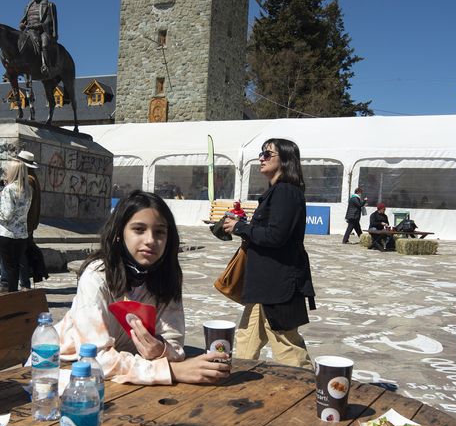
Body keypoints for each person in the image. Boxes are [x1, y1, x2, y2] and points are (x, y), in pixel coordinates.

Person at [57, 190, 231, 384]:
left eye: (159, 232)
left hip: (127, 375)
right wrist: (171, 371)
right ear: (119, 234)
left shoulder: (166, 276)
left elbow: (174, 342)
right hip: (65, 370)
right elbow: (94, 358)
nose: (150, 240)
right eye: (139, 229)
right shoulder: (96, 276)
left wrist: (161, 350)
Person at [221, 138, 315, 369]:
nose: (261, 158)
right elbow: (270, 231)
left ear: (285, 160)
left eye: (267, 154)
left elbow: (275, 236)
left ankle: (306, 390)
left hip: (278, 284)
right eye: (261, 154)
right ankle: (240, 376)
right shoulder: (277, 191)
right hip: (265, 285)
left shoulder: (285, 191)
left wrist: (240, 228)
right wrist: (242, 224)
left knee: (286, 344)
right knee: (246, 340)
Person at [0, 159, 31, 295]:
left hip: (7, 233)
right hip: (21, 233)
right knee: (15, 266)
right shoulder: (27, 189)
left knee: (9, 267)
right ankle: (14, 293)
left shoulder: (8, 189)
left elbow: (7, 214)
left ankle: (11, 294)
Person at [14, 150, 42, 291]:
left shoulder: (29, 180)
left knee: (21, 254)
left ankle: (25, 283)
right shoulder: (33, 178)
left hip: (25, 223)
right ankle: (24, 282)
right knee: (23, 252)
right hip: (29, 222)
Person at [19, 0, 58, 75]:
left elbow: (50, 21)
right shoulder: (28, 6)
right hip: (29, 31)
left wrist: (36, 26)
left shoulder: (49, 5)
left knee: (44, 44)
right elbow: (23, 20)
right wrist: (21, 25)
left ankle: (46, 65)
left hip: (43, 31)